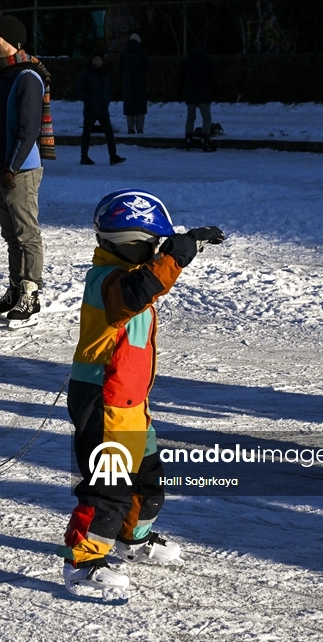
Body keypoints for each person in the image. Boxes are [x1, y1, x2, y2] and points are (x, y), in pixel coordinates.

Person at [58, 189, 224, 599]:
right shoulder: (105, 282)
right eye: (150, 245)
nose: (155, 252)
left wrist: (186, 246)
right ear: (128, 243)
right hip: (103, 400)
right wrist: (175, 257)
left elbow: (146, 282)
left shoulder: (128, 273)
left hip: (130, 402)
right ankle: (82, 562)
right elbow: (138, 291)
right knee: (109, 486)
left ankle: (132, 539)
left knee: (147, 477)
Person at [0, 15, 54, 327]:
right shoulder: (4, 75)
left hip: (21, 171)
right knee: (12, 236)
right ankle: (15, 290)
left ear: (10, 39)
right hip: (3, 169)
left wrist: (11, 167)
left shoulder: (27, 77)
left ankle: (31, 294)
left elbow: (27, 129)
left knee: (27, 235)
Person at [76, 53, 125, 166]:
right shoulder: (86, 74)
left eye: (99, 60)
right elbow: (80, 89)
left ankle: (113, 156)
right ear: (92, 61)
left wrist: (107, 100)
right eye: (95, 59)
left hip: (103, 109)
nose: (97, 62)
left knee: (109, 133)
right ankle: (84, 156)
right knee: (87, 133)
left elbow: (108, 89)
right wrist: (88, 101)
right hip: (91, 109)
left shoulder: (105, 74)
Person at [176, 44, 218, 152]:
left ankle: (188, 138)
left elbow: (181, 78)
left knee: (190, 117)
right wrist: (215, 90)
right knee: (206, 118)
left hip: (190, 93)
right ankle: (205, 139)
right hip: (204, 93)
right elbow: (212, 76)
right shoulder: (207, 60)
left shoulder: (187, 60)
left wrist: (179, 93)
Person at [119, 34, 149, 134]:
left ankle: (130, 128)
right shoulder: (142, 52)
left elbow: (120, 69)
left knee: (129, 106)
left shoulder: (123, 52)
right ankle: (140, 128)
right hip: (140, 83)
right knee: (140, 107)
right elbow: (147, 66)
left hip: (128, 83)